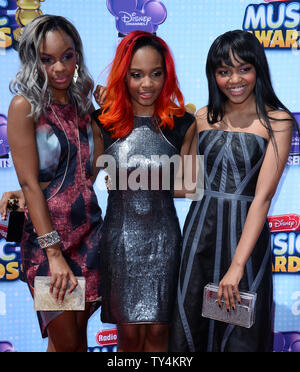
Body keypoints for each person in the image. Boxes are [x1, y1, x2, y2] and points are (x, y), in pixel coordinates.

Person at [169, 30, 295, 352]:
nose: (234, 79)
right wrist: (129, 182)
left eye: (243, 69)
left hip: (246, 242)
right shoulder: (202, 117)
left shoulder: (278, 121)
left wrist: (237, 266)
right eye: (224, 71)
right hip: (200, 239)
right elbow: (187, 184)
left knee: (240, 339)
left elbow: (263, 198)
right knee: (191, 332)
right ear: (214, 75)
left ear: (258, 70)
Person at [0, 15, 103, 352]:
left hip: (89, 235)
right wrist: (54, 254)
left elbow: (90, 171)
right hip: (47, 244)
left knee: (71, 344)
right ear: (33, 60)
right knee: (67, 342)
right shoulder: (24, 107)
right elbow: (29, 184)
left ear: (77, 56)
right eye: (47, 59)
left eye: (67, 56)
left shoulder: (81, 105)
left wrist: (105, 103)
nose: (60, 68)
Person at [92, 30, 196, 352]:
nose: (146, 85)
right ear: (123, 77)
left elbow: (192, 186)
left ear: (167, 75)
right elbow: (79, 180)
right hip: (120, 242)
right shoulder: (102, 123)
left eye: (155, 74)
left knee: (158, 338)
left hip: (163, 242)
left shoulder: (183, 123)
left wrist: (137, 178)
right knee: (129, 339)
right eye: (136, 75)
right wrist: (30, 189)